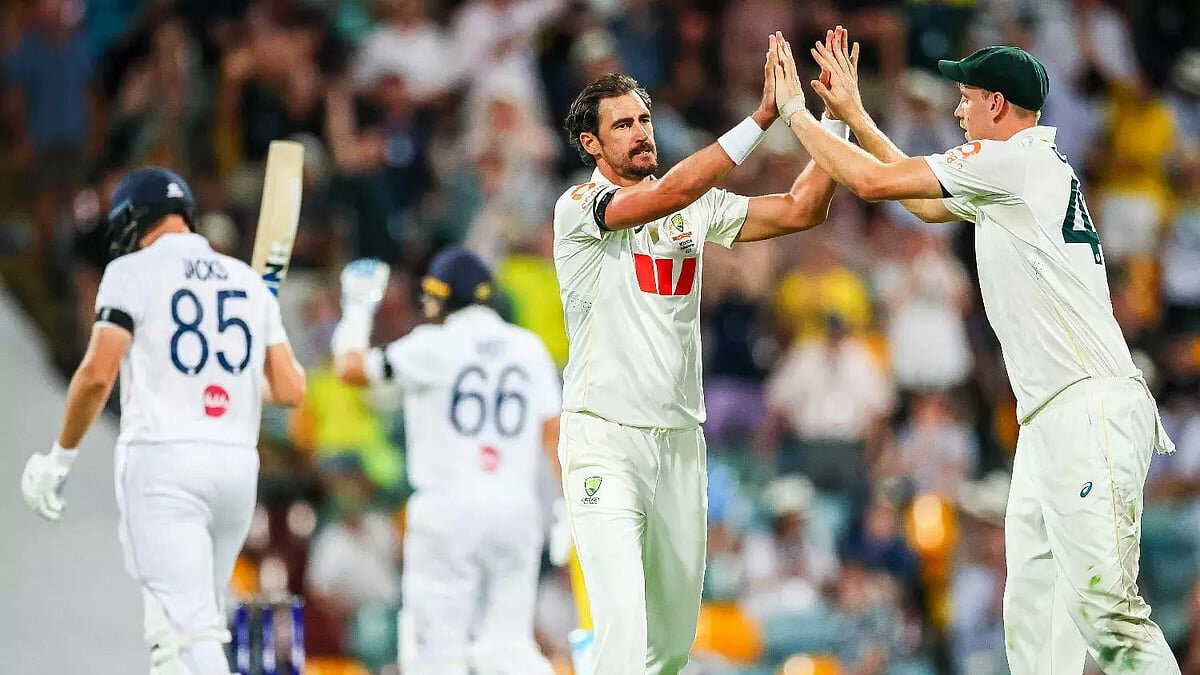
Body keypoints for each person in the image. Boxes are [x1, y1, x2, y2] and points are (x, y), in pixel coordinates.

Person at [776, 26, 1180, 673]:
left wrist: (796, 114)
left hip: (1088, 410)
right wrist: (852, 114)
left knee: (1106, 609)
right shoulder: (1016, 175)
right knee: (1032, 621)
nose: (957, 111)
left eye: (965, 98)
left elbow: (877, 186)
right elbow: (921, 201)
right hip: (1053, 418)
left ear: (997, 104)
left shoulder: (1016, 162)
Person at [553, 32, 847, 673]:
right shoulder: (578, 208)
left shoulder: (695, 204)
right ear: (591, 145)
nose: (639, 132)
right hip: (604, 437)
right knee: (622, 632)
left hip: (680, 442)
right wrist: (763, 118)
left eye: (643, 119)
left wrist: (835, 125)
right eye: (621, 125)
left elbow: (800, 211)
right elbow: (668, 196)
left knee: (671, 646)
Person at [20, 168, 307, 675]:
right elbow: (290, 389)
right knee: (178, 631)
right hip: (236, 470)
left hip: (164, 463)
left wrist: (58, 458)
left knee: (191, 630)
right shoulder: (248, 281)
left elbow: (95, 376)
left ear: (132, 222)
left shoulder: (132, 273)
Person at [330, 248, 562, 674]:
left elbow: (350, 369)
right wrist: (565, 513)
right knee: (509, 648)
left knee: (439, 650)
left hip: (449, 508)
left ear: (438, 298)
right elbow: (555, 438)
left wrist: (357, 309)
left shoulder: (432, 345)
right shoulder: (529, 348)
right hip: (516, 508)